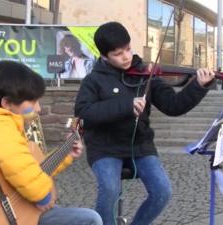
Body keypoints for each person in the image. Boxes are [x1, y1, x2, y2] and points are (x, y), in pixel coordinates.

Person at [74, 21, 215, 225]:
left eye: (128, 49)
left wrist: (199, 86)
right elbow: (84, 111)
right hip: (104, 147)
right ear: (104, 56)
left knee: (162, 191)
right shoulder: (93, 80)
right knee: (110, 189)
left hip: (140, 146)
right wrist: (126, 106)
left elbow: (173, 106)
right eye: (117, 53)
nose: (126, 56)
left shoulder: (146, 74)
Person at [0, 60, 102, 225]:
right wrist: (43, 195)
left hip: (17, 210)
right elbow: (18, 166)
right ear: (6, 103)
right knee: (90, 220)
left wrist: (66, 154)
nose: (38, 108)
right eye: (33, 102)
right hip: (1, 216)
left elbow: (30, 168)